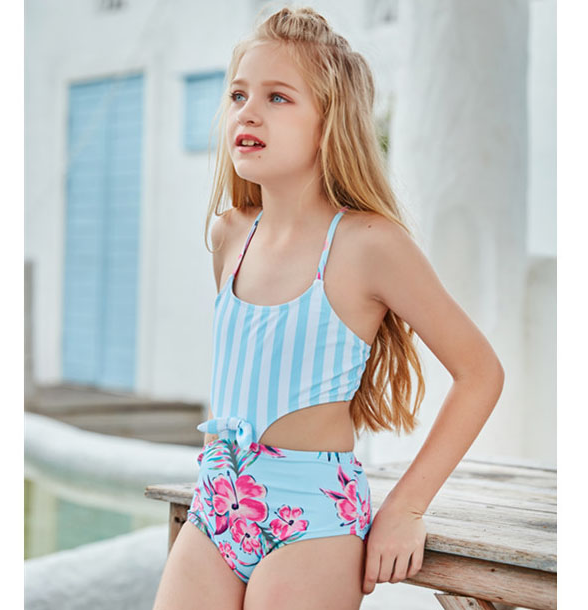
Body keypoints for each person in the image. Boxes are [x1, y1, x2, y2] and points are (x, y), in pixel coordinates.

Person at [152, 6, 504, 610]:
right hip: (215, 506)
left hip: (312, 518)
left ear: (329, 123)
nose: (248, 112)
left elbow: (481, 372)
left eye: (278, 97)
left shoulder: (369, 245)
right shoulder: (230, 234)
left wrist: (407, 507)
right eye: (238, 94)